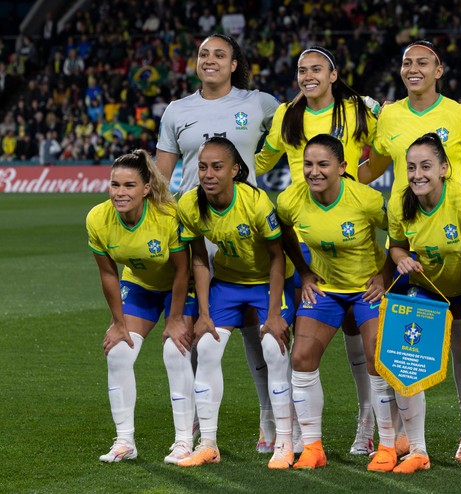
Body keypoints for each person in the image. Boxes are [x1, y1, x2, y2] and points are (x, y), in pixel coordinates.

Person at [359, 40, 461, 462]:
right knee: (403, 350)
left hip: (454, 243)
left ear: (439, 69)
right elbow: (373, 168)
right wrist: (331, 176)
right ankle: (399, 440)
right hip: (412, 246)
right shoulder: (391, 116)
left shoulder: (460, 115)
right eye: (406, 63)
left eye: (422, 62)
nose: (412, 69)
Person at [155, 33, 282, 454]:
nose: (210, 60)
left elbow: (306, 120)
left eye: (219, 55)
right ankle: (192, 423)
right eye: (203, 54)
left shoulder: (259, 103)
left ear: (233, 64)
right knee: (197, 329)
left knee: (255, 331)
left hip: (248, 232)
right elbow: (161, 178)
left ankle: (270, 418)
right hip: (196, 234)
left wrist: (373, 108)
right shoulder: (177, 111)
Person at [255, 46, 379, 455]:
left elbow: (388, 148)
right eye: (301, 70)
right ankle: (282, 432)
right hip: (303, 241)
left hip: (349, 229)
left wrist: (359, 179)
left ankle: (367, 422)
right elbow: (261, 160)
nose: (307, 76)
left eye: (315, 69)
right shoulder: (288, 115)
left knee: (357, 335)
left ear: (333, 74)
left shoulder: (357, 111)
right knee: (297, 343)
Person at [175, 137, 296, 467]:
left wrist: (272, 314)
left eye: (217, 167)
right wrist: (202, 313)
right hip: (227, 285)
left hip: (266, 283)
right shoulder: (189, 204)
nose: (208, 174)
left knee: (273, 348)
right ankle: (208, 444)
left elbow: (277, 258)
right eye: (203, 167)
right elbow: (198, 259)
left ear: (235, 170)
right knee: (207, 348)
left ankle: (284, 442)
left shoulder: (256, 203)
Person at [274, 134, 393, 470]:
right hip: (326, 289)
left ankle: (385, 445)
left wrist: (384, 276)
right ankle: (312, 447)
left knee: (376, 359)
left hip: (366, 288)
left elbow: (401, 231)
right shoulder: (291, 199)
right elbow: (283, 231)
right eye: (308, 164)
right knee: (301, 357)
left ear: (341, 167)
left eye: (323, 164)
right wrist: (304, 270)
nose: (314, 171)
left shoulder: (366, 199)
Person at [386, 133, 461, 474]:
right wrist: (401, 258)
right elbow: (395, 246)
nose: (418, 174)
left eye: (425, 166)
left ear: (444, 169)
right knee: (403, 356)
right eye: (411, 167)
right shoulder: (398, 204)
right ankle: (417, 451)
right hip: (428, 290)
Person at [87, 150, 197, 464]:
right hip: (140, 286)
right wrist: (118, 322)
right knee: (119, 351)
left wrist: (174, 319)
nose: (120, 193)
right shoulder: (98, 218)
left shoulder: (166, 216)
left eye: (129, 186)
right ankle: (125, 442)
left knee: (175, 351)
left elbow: (182, 269)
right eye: (115, 185)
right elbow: (108, 273)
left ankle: (184, 441)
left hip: (180, 286)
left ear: (146, 188)